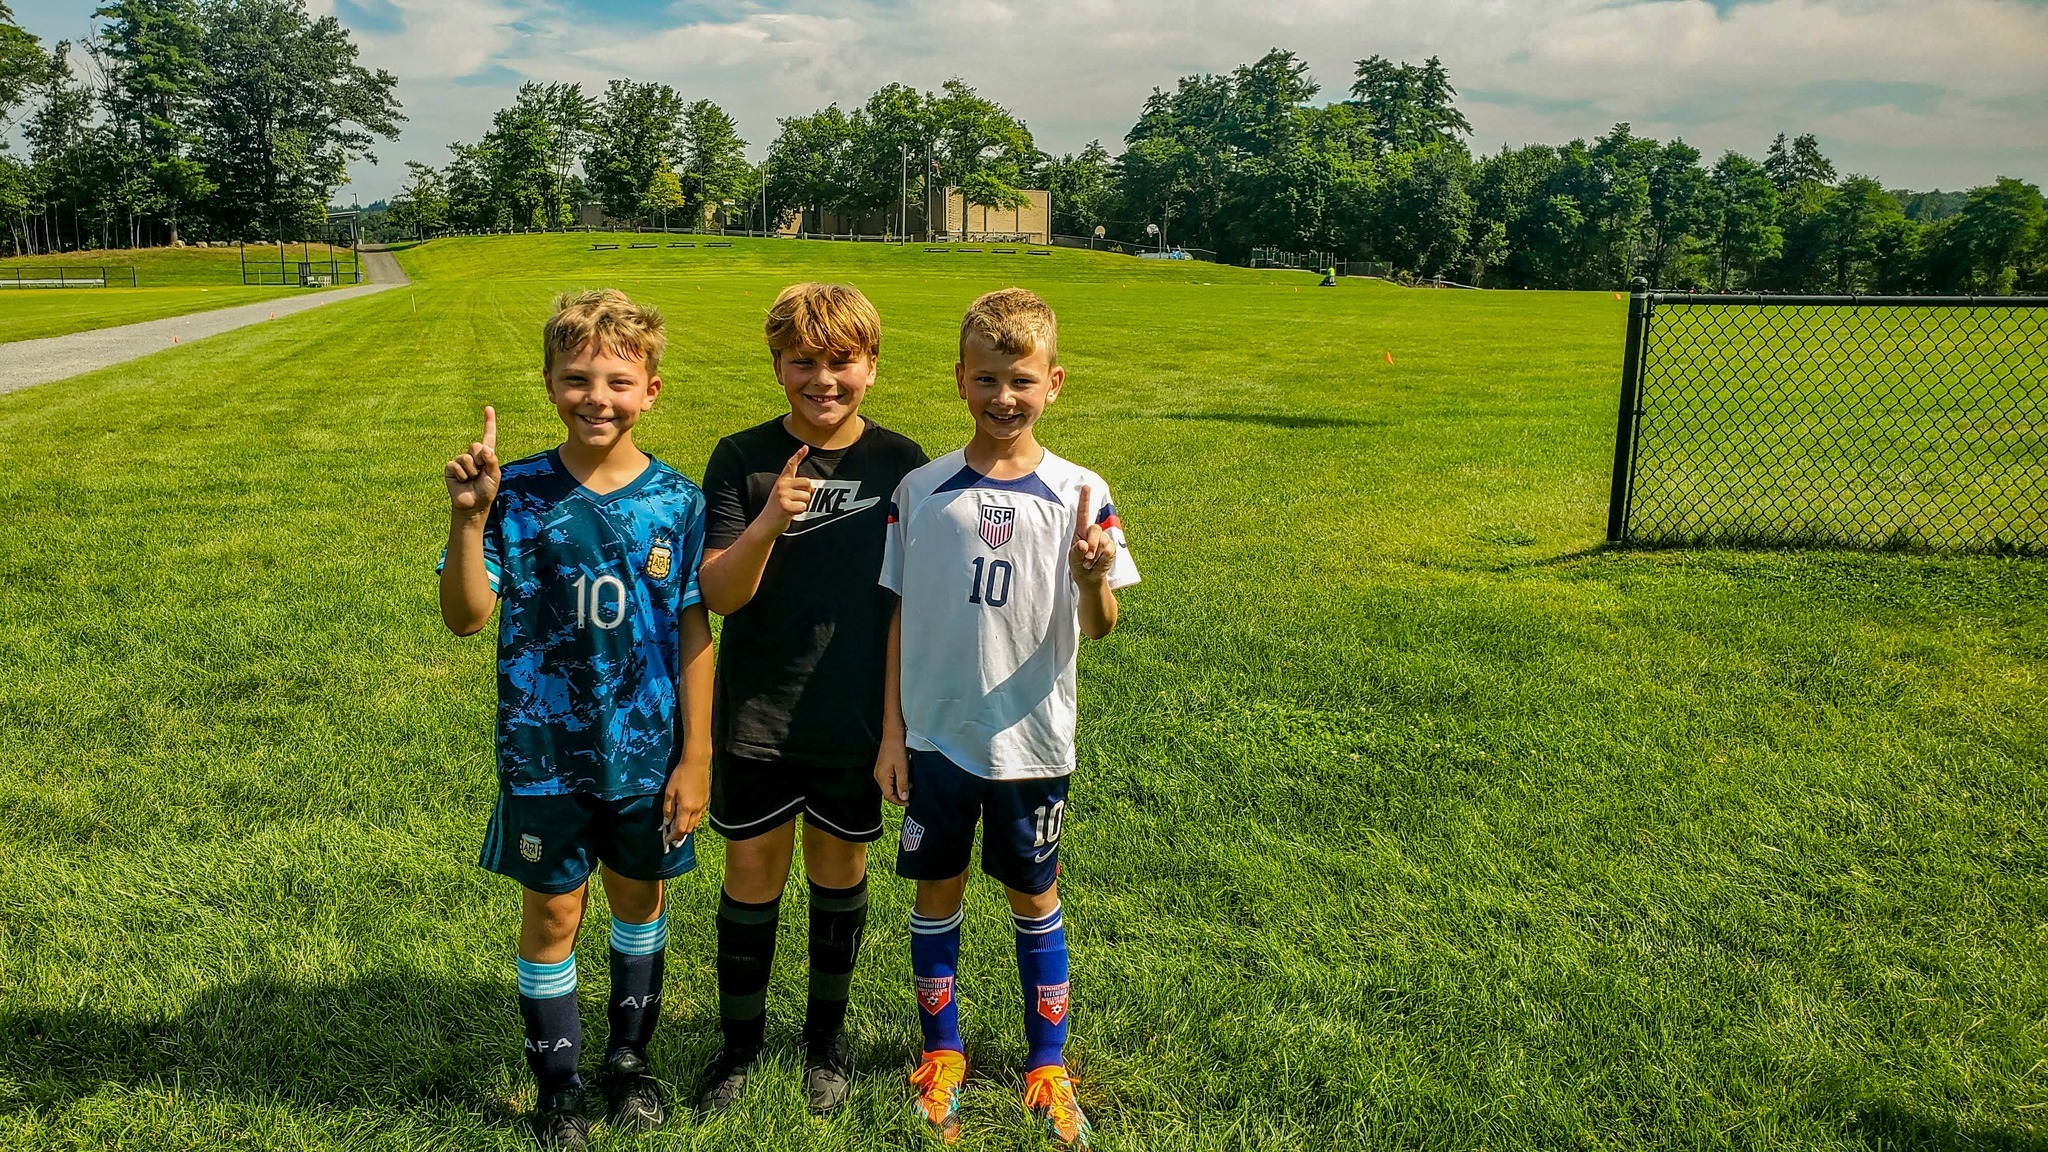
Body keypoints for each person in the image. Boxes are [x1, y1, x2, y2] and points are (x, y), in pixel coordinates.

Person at [439, 289, 712, 1149]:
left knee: (638, 900)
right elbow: (466, 616)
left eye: (619, 381)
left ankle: (628, 1062)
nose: (598, 397)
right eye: (577, 379)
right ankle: (558, 1090)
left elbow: (694, 632)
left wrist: (696, 756)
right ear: (550, 382)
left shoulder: (678, 501)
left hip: (646, 755)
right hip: (544, 755)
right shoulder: (514, 492)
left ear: (651, 391)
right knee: (554, 916)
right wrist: (468, 518)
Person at [876, 288, 1139, 1147]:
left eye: (1022, 380)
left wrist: (1093, 579)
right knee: (937, 889)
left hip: (1032, 739)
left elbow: (1100, 625)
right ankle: (941, 1052)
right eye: (987, 379)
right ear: (959, 379)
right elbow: (900, 615)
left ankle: (1046, 1064)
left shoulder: (1082, 491)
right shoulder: (920, 490)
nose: (1003, 397)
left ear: (1053, 383)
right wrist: (892, 734)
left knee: (1034, 893)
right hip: (937, 736)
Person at [693, 282, 927, 1113]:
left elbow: (907, 606)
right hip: (757, 714)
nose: (823, 380)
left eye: (842, 362)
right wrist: (768, 523)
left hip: (853, 718)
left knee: (839, 872)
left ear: (872, 366)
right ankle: (739, 1047)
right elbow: (719, 596)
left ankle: (826, 1041)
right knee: (751, 873)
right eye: (802, 362)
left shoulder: (901, 465)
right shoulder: (742, 458)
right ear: (776, 367)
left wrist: (895, 730)